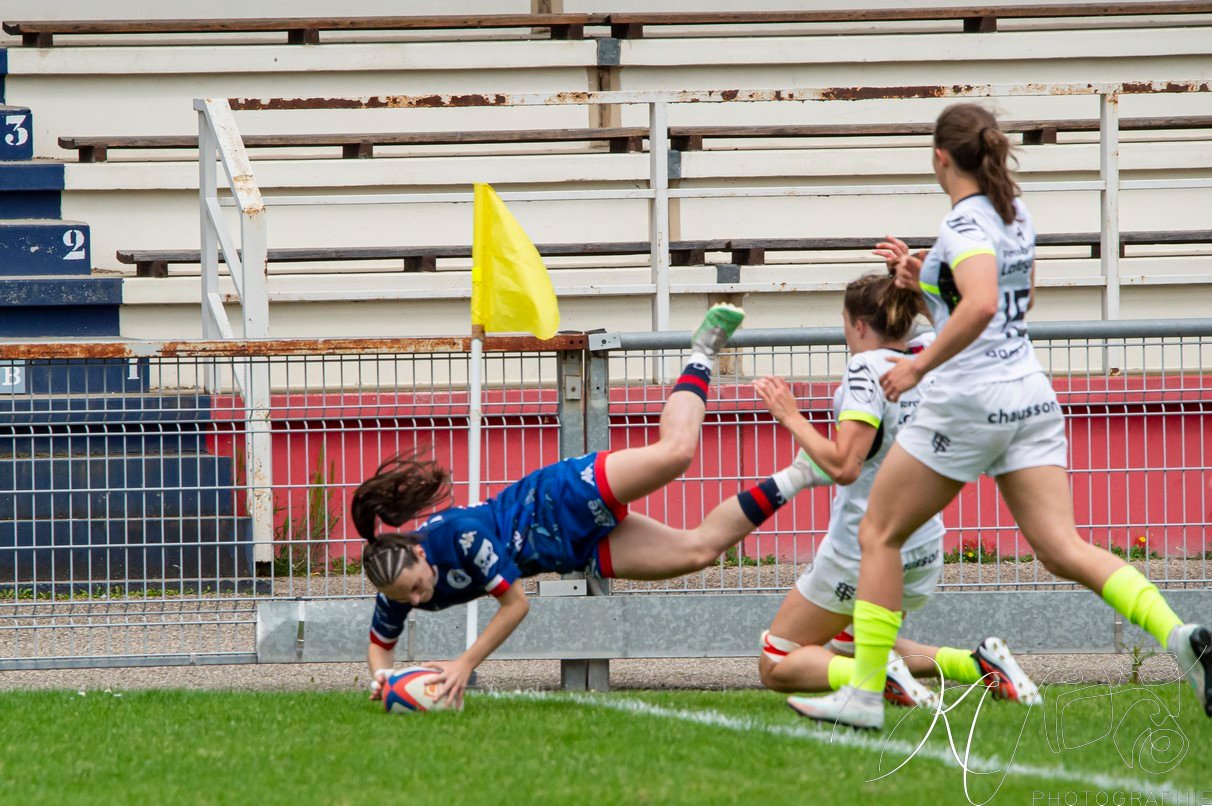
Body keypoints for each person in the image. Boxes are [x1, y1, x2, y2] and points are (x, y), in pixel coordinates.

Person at [790, 103, 1211, 730]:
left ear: (939, 157)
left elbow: (982, 303)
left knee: (878, 533)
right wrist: (924, 282)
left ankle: (865, 694)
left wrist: (917, 366)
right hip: (1030, 394)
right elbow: (1016, 297)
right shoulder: (1015, 215)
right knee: (1064, 548)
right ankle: (1182, 638)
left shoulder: (961, 225)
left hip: (971, 399)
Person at [355, 302, 827, 709]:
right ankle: (803, 472)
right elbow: (381, 644)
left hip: (561, 497)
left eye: (417, 588)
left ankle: (702, 352)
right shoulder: (393, 579)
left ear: (419, 553)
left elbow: (515, 605)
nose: (420, 601)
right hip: (570, 549)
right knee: (697, 552)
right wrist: (386, 682)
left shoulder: (457, 537)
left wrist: (464, 663)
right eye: (409, 599)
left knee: (676, 454)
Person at [753, 274, 1039, 712]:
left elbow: (845, 466)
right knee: (857, 639)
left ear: (859, 326)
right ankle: (977, 665)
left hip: (865, 547)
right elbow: (957, 317)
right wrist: (915, 283)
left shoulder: (866, 369)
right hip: (922, 542)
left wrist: (790, 416)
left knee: (777, 660)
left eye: (846, 322)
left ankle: (872, 677)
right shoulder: (927, 356)